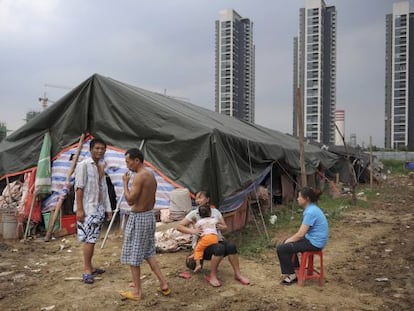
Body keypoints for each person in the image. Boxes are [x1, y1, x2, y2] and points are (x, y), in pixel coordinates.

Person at [120, 148, 169, 301]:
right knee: (148, 253)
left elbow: (130, 200)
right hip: (149, 216)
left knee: (134, 256)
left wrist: (125, 183)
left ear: (136, 160)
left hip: (139, 217)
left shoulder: (139, 177)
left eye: (128, 162)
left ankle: (137, 292)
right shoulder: (150, 175)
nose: (127, 166)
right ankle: (163, 284)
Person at [176, 191, 250, 287]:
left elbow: (225, 227)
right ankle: (212, 276)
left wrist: (220, 227)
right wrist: (193, 231)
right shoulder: (194, 213)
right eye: (196, 198)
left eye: (200, 197)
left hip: (216, 240)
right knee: (219, 248)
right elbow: (179, 226)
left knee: (231, 246)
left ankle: (238, 274)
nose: (197, 200)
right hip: (202, 244)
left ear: (207, 199)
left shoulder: (215, 212)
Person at [74, 138, 113, 284]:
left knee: (93, 239)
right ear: (91, 149)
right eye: (97, 148)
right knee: (89, 240)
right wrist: (79, 209)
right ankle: (86, 270)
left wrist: (108, 209)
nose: (100, 151)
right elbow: (79, 188)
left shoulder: (100, 167)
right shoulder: (83, 165)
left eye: (102, 148)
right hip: (87, 208)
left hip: (98, 208)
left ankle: (90, 266)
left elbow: (103, 189)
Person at [276, 187, 329, 285]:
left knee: (282, 248)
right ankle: (295, 269)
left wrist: (288, 241)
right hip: (315, 240)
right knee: (288, 243)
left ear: (307, 199)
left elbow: (300, 234)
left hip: (315, 243)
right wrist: (289, 240)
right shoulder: (313, 208)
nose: (297, 199)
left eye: (299, 197)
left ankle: (291, 275)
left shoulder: (310, 212)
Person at [193, 205, 219, 273]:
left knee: (198, 250)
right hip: (215, 238)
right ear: (210, 213)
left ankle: (198, 265)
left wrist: (193, 222)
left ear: (199, 215)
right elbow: (218, 224)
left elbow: (196, 228)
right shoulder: (214, 220)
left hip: (206, 238)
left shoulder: (199, 222)